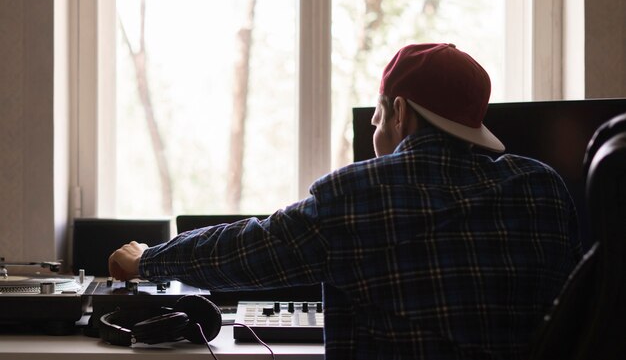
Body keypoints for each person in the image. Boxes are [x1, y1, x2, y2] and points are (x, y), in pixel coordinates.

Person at [109, 43, 582, 360]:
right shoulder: (543, 189)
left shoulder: (361, 194)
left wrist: (149, 260)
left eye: (378, 117)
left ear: (399, 112)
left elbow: (250, 250)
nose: (376, 131)